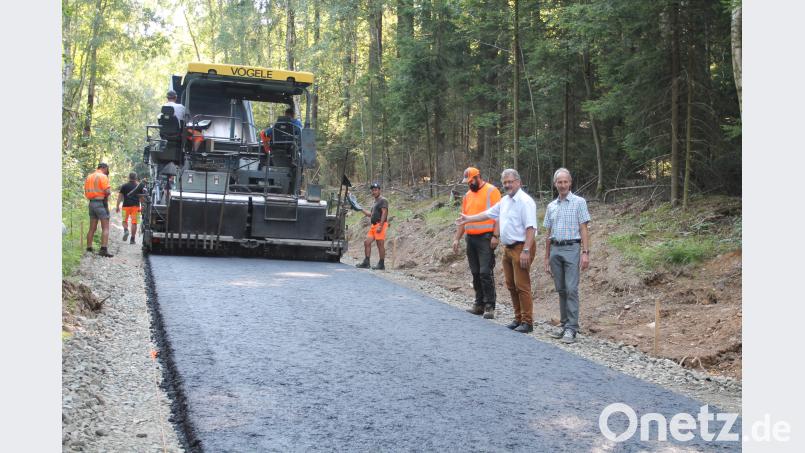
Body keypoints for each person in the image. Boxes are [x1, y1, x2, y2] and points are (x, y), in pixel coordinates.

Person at [456, 169, 537, 333]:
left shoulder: (525, 201)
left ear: (518, 182)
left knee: (522, 286)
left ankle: (527, 322)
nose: (507, 185)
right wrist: (468, 219)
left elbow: (531, 228)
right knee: (511, 285)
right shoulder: (505, 200)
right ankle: (518, 319)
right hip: (508, 247)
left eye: (510, 182)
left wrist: (526, 250)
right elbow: (488, 214)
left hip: (522, 247)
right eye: (505, 182)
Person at [543, 168, 591, 344]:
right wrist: (546, 257)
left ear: (570, 183)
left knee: (571, 289)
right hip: (555, 248)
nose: (562, 185)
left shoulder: (579, 202)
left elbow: (583, 229)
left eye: (565, 182)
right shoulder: (551, 206)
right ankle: (564, 325)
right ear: (555, 184)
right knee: (561, 289)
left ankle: (572, 328)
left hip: (572, 248)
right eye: (559, 182)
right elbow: (548, 233)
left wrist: (585, 253)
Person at [452, 167, 502, 319]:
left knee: (485, 272)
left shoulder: (491, 191)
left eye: (471, 180)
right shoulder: (467, 195)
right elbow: (463, 218)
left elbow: (499, 214)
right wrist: (456, 238)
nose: (469, 184)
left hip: (486, 238)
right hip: (471, 238)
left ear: (478, 177)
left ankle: (489, 305)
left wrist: (496, 235)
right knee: (475, 273)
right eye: (467, 181)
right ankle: (479, 303)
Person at [355, 182, 389, 270]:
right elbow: (370, 214)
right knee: (367, 242)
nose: (374, 192)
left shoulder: (383, 200)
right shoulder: (375, 202)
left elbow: (384, 213)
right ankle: (366, 262)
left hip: (380, 224)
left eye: (376, 190)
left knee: (380, 244)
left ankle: (381, 264)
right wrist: (360, 209)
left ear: (379, 190)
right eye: (373, 190)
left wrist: (380, 226)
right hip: (373, 226)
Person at [84, 162, 114, 257]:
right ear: (104, 168)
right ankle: (103, 250)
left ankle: (89, 248)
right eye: (107, 169)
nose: (107, 171)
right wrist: (108, 194)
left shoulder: (89, 177)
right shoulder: (103, 177)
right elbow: (107, 191)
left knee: (92, 228)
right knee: (105, 227)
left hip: (91, 203)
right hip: (100, 203)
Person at [115, 172, 146, 245]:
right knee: (134, 223)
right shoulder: (139, 186)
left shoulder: (124, 186)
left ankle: (126, 230)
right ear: (136, 178)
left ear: (129, 177)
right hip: (136, 207)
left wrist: (117, 206)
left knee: (124, 221)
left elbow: (120, 197)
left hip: (125, 206)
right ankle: (132, 239)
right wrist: (143, 206)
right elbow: (141, 198)